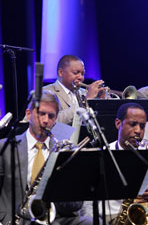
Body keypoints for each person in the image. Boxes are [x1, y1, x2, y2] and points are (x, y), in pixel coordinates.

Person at [0, 90, 92, 225]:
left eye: (51, 116)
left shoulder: (65, 151)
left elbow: (76, 204)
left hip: (52, 219)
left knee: (90, 222)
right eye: (41, 114)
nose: (45, 121)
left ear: (55, 120)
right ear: (28, 114)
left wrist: (52, 199)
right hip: (14, 219)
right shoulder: (5, 147)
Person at [44, 55, 105, 125]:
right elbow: (52, 121)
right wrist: (86, 101)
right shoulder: (46, 92)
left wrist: (101, 102)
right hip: (61, 135)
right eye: (76, 73)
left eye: (83, 74)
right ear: (61, 72)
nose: (81, 77)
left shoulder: (85, 93)